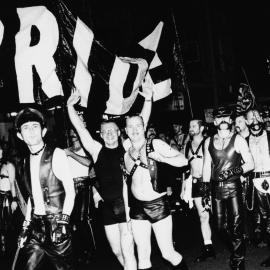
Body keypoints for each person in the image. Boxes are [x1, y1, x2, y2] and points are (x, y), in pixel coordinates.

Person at [66, 79, 153, 270]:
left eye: (113, 131)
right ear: (101, 134)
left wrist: (148, 100)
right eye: (105, 132)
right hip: (107, 208)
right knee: (117, 251)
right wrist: (70, 106)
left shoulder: (127, 146)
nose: (110, 134)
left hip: (126, 204)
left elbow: (141, 124)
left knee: (127, 248)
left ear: (119, 132)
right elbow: (80, 129)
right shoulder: (96, 150)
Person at [124, 114, 189, 270]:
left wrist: (162, 159)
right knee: (143, 256)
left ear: (144, 127)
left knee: (167, 253)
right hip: (137, 209)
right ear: (126, 130)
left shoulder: (155, 144)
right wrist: (127, 213)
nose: (134, 130)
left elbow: (184, 161)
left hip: (157, 205)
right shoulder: (126, 154)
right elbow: (126, 184)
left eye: (138, 125)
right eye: (130, 127)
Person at [14, 107, 76, 270]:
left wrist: (63, 222)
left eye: (35, 126)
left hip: (57, 225)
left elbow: (71, 191)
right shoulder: (24, 162)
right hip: (36, 229)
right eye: (26, 128)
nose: (31, 131)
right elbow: (31, 197)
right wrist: (26, 226)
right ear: (20, 135)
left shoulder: (57, 154)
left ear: (44, 130)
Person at [202, 106, 254, 270]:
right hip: (216, 189)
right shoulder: (208, 141)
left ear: (231, 120)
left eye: (226, 117)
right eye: (220, 117)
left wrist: (234, 171)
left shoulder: (238, 139)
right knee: (219, 227)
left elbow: (251, 163)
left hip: (233, 187)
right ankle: (237, 250)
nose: (223, 119)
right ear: (215, 121)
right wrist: (205, 191)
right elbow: (206, 167)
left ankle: (238, 261)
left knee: (236, 226)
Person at [181, 118, 215, 262]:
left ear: (201, 128)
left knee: (218, 216)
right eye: (190, 126)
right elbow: (185, 167)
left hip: (209, 183)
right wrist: (183, 187)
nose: (191, 128)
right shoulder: (187, 145)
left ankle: (234, 240)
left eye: (194, 126)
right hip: (195, 183)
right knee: (203, 216)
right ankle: (208, 248)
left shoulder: (209, 142)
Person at [65, 128, 95, 264]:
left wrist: (71, 154)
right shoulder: (66, 150)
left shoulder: (85, 149)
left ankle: (91, 251)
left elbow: (89, 163)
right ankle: (79, 251)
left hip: (83, 185)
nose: (73, 136)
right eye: (71, 135)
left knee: (83, 219)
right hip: (70, 187)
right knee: (72, 222)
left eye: (75, 134)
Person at [245, 109, 270, 266]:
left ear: (262, 118)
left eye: (257, 116)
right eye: (250, 118)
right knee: (264, 218)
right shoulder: (243, 141)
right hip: (256, 183)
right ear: (246, 122)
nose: (254, 121)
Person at [0, 142, 18, 254]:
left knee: (7, 224)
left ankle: (9, 250)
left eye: (0, 150)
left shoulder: (9, 165)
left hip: (7, 198)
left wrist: (15, 199)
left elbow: (12, 183)